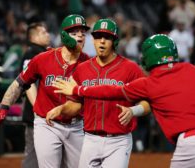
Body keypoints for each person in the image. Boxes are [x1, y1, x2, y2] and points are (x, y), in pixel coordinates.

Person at [53, 34, 195, 168]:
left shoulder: (149, 83)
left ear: (148, 57)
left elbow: (111, 92)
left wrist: (79, 89)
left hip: (191, 146)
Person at [46, 18, 151, 168]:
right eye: (97, 37)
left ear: (114, 41)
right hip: (89, 139)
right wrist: (61, 109)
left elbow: (147, 102)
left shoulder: (131, 68)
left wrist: (133, 111)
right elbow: (76, 105)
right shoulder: (82, 69)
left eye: (107, 37)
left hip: (118, 141)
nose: (101, 41)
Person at [0, 14, 91, 168]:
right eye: (74, 32)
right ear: (64, 35)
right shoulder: (43, 58)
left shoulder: (88, 63)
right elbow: (19, 84)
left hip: (75, 125)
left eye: (83, 33)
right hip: (47, 124)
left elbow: (85, 100)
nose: (80, 36)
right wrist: (4, 107)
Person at [20, 22, 51, 168]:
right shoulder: (31, 53)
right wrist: (39, 107)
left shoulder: (44, 52)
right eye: (44, 32)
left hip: (44, 114)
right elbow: (28, 83)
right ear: (34, 36)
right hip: (35, 116)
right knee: (33, 158)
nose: (48, 34)